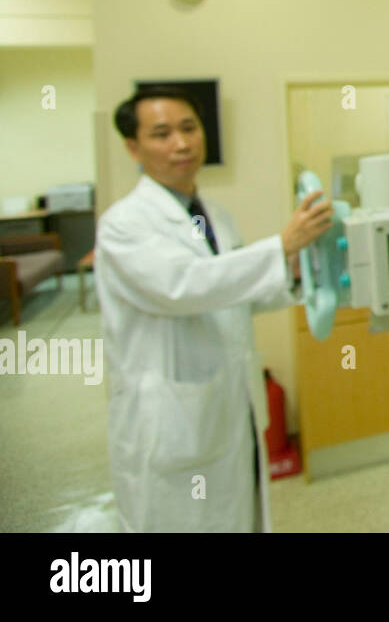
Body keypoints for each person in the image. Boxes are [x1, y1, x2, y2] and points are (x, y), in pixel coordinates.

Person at [96, 86, 333, 532]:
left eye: (189, 128)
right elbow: (182, 286)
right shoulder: (123, 226)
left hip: (229, 409)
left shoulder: (214, 217)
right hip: (169, 422)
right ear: (133, 147)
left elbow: (234, 293)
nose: (181, 144)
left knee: (236, 518)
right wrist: (280, 247)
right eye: (162, 134)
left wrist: (297, 268)